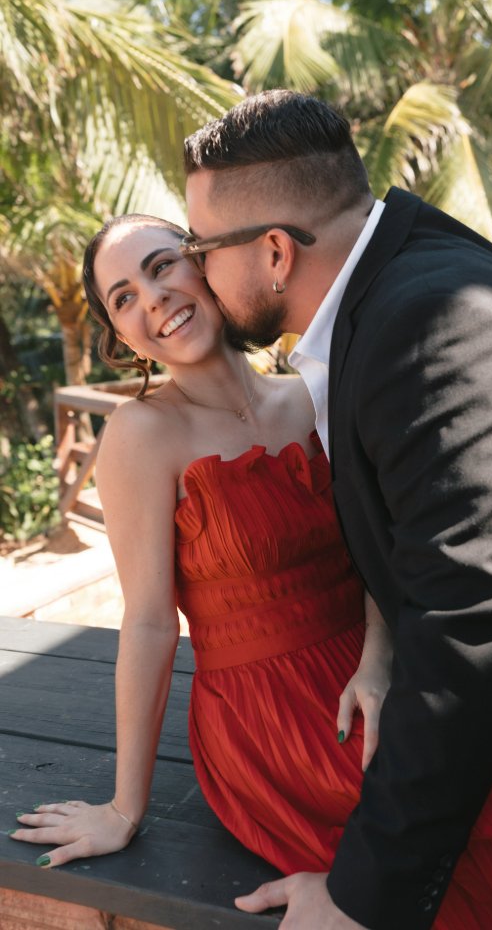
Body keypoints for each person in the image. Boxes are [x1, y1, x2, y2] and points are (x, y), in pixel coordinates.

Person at [179, 89, 492, 930]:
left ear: (272, 252)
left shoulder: (429, 323)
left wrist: (358, 898)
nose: (194, 272)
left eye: (200, 247)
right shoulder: (406, 274)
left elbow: (471, 618)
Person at [10, 213, 393, 874]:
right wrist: (125, 808)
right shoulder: (141, 435)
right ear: (120, 333)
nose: (152, 297)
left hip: (382, 674)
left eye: (161, 266)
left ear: (205, 264)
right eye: (123, 297)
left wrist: (382, 658)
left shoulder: (312, 394)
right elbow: (151, 621)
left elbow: (382, 547)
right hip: (269, 717)